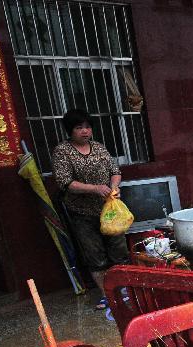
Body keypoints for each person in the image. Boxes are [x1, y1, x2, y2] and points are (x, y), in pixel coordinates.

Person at [51, 108, 128, 310]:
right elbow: (65, 183)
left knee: (119, 251)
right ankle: (107, 296)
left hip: (110, 211)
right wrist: (95, 189)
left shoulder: (100, 148)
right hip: (82, 214)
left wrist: (114, 186)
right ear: (70, 131)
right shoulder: (62, 152)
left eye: (87, 127)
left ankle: (125, 291)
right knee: (95, 256)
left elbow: (115, 171)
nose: (85, 131)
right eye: (79, 128)